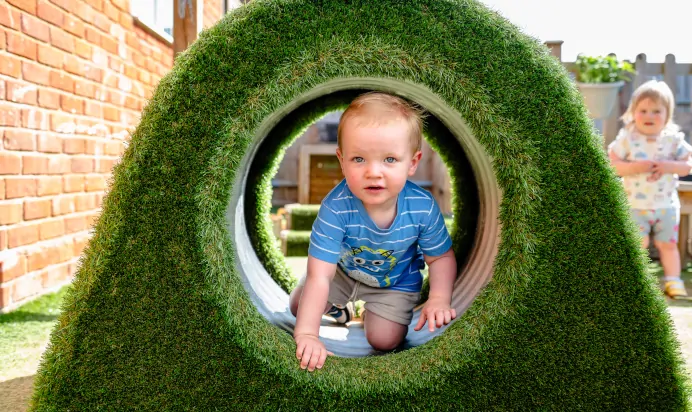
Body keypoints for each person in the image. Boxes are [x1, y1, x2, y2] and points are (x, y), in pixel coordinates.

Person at [289, 92, 457, 371]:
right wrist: (307, 334)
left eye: (390, 159)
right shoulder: (336, 208)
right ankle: (340, 310)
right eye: (359, 159)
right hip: (342, 273)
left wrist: (439, 298)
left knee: (384, 340)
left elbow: (440, 258)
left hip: (395, 283)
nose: (374, 172)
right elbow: (321, 275)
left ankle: (373, 314)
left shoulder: (422, 207)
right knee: (299, 306)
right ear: (341, 161)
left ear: (412, 163)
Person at [608, 79, 692, 299]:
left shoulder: (673, 139)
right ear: (633, 112)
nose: (649, 116)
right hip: (635, 205)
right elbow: (612, 164)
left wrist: (668, 166)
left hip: (666, 205)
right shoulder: (628, 139)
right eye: (643, 110)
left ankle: (673, 280)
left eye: (657, 111)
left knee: (668, 245)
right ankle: (636, 281)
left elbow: (687, 165)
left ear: (667, 115)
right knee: (638, 245)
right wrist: (635, 166)